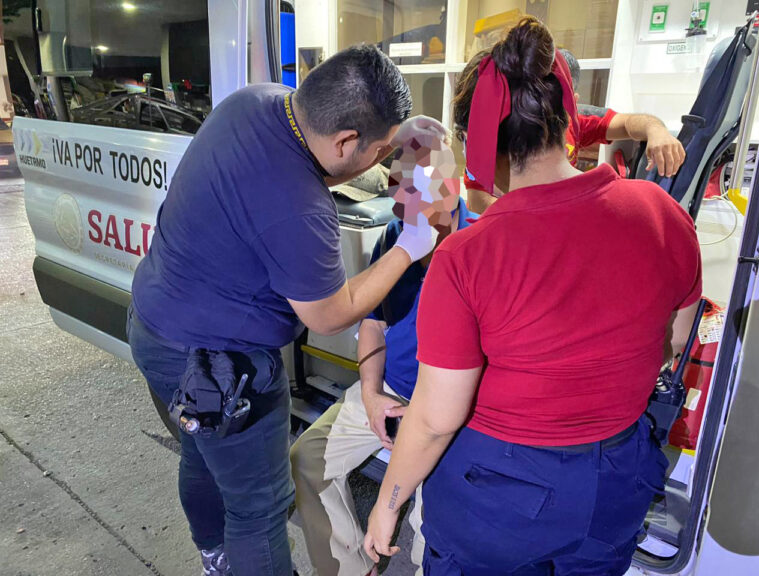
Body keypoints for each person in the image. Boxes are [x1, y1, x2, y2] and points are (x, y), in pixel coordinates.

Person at [364, 18, 702, 576]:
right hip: (616, 481)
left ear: (477, 142)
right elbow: (675, 340)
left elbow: (436, 419)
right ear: (567, 118)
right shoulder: (660, 213)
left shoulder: (469, 255)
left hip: (501, 493)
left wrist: (387, 503)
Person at [127, 44, 447, 576]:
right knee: (259, 507)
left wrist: (392, 143)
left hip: (154, 321)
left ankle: (215, 558)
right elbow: (331, 315)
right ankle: (232, 559)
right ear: (345, 140)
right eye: (381, 153)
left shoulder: (257, 102)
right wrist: (409, 247)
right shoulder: (301, 206)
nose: (389, 168)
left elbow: (322, 166)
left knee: (203, 452)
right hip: (216, 365)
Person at [290, 134, 472, 576]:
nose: (403, 211)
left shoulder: (479, 243)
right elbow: (373, 323)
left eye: (417, 197)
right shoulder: (397, 236)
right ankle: (354, 569)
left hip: (449, 409)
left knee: (434, 526)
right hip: (391, 389)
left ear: (452, 189)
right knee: (307, 459)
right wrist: (371, 394)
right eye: (399, 196)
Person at [465, 47, 687, 214]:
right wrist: (530, 215)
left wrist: (656, 130)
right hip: (508, 223)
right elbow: (476, 200)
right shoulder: (497, 132)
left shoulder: (577, 122)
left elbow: (628, 122)